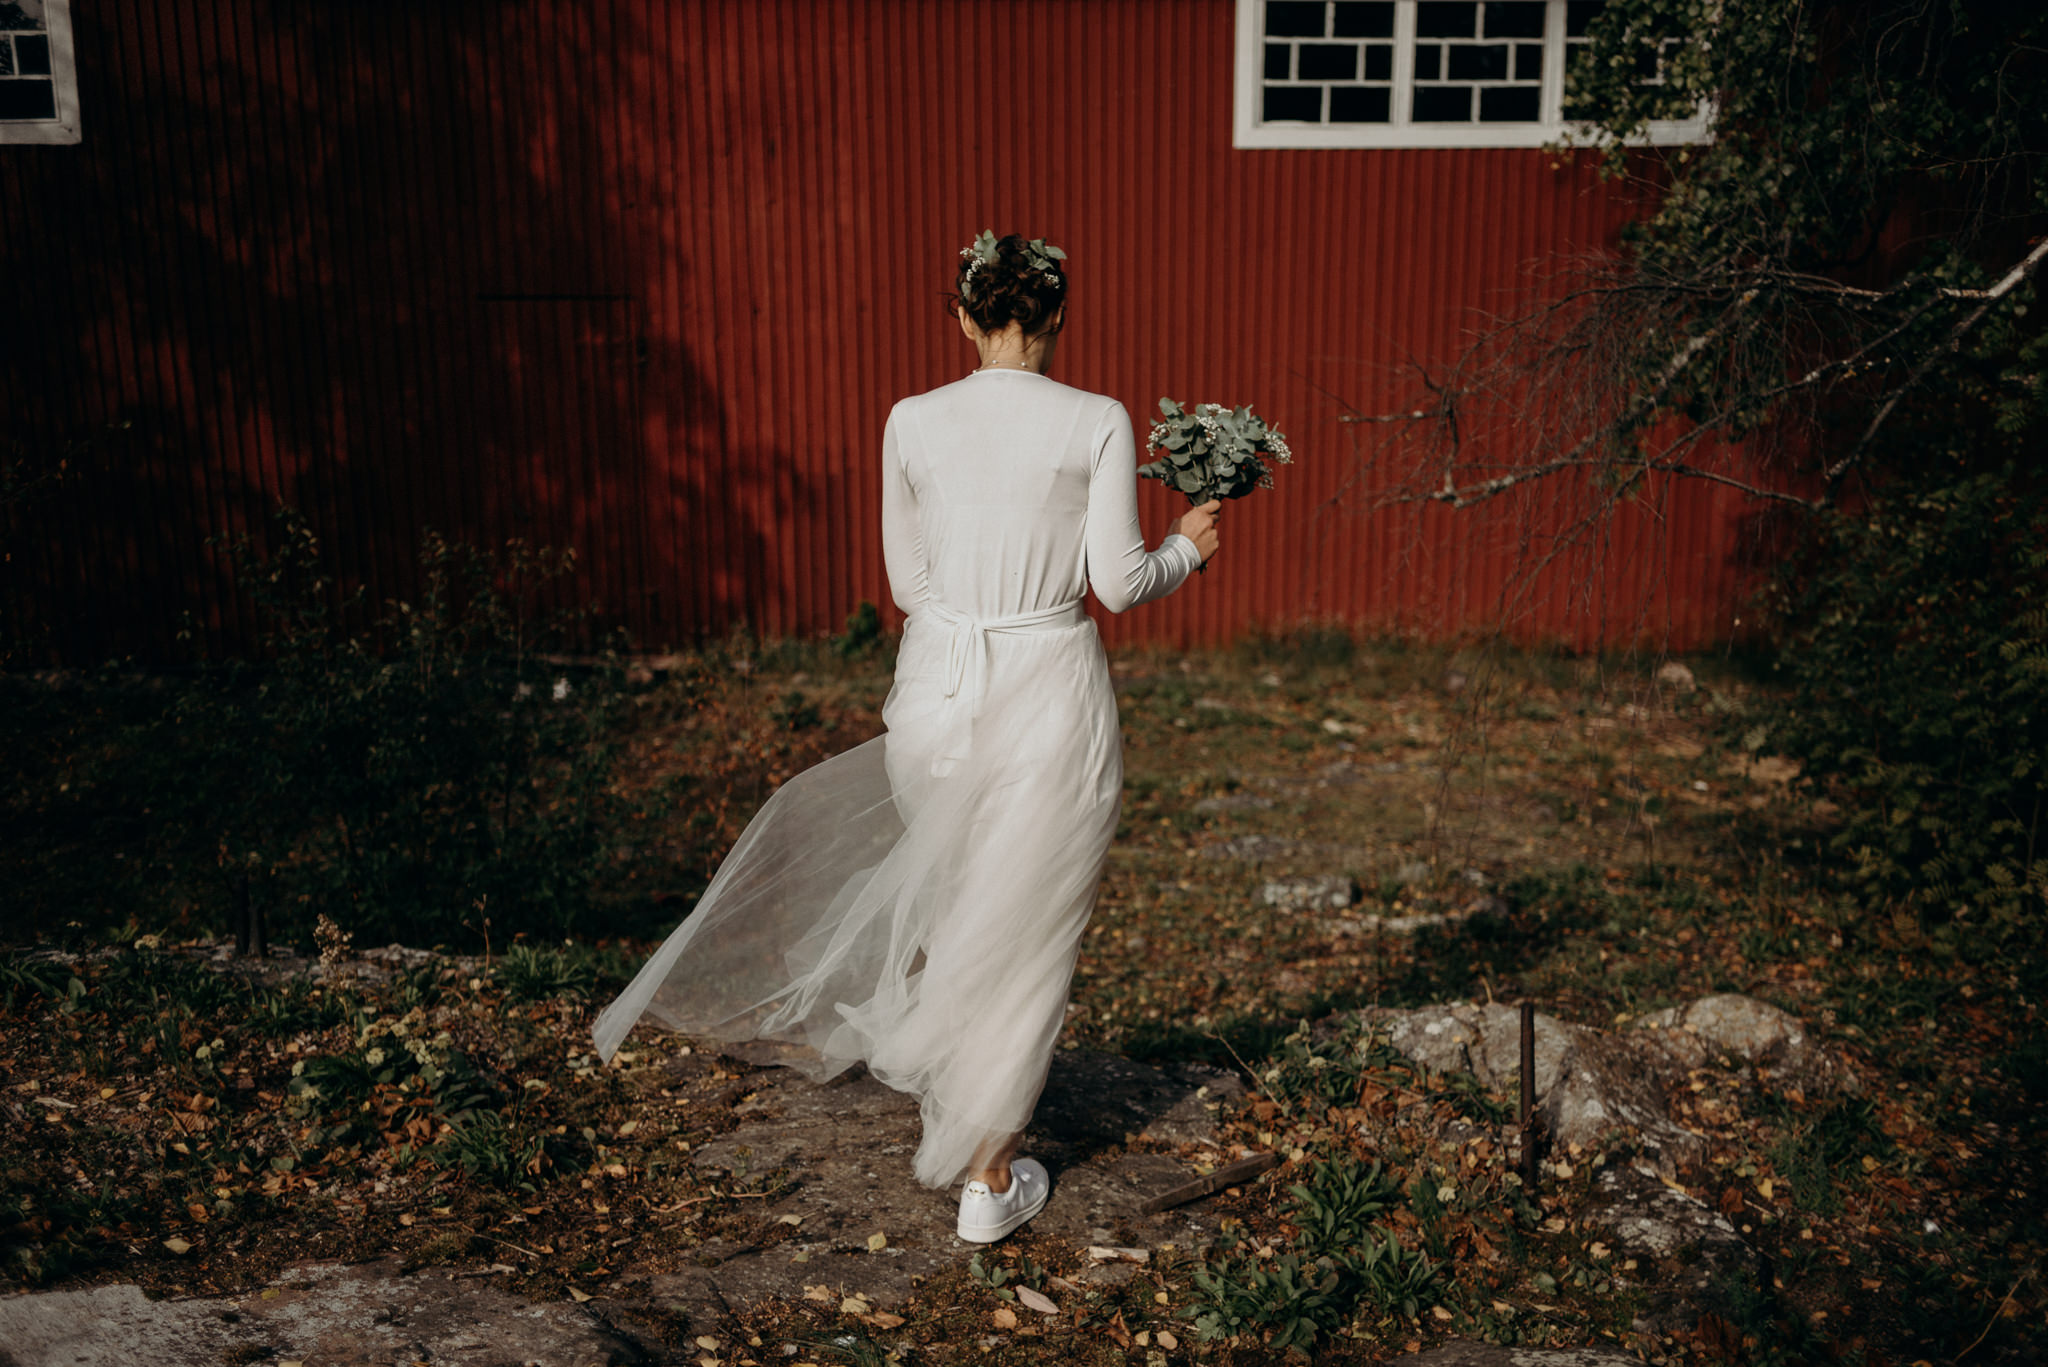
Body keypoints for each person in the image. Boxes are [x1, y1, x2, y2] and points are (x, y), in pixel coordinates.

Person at [592, 231, 1220, 1244]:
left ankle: (958, 1104)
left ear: (962, 319)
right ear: (1056, 317)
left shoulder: (910, 420)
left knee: (957, 901)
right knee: (1025, 923)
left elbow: (904, 586)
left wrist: (963, 627)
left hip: (935, 682)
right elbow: (1116, 582)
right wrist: (1186, 548)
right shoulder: (1093, 419)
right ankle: (987, 1173)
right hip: (1045, 679)